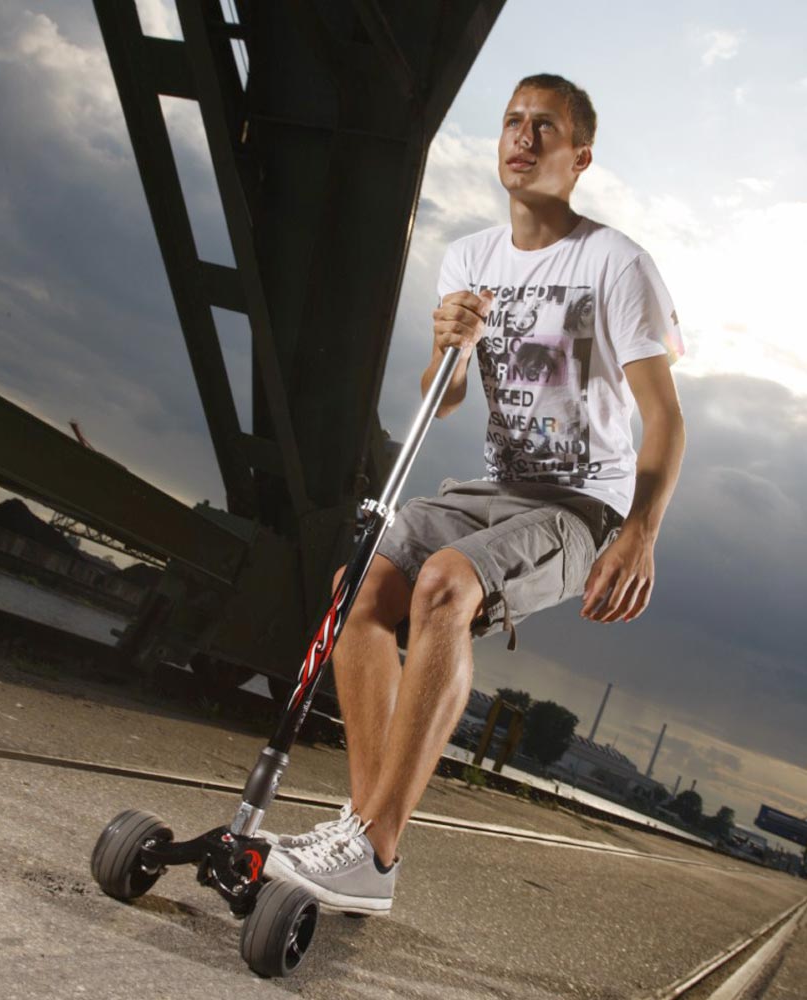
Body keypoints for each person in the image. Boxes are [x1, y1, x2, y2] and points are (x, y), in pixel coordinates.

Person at [262, 73, 686, 915]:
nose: (523, 139)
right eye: (512, 123)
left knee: (444, 585)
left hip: (580, 508)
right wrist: (448, 346)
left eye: (546, 129)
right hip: (492, 487)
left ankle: (375, 849)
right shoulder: (470, 257)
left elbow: (665, 417)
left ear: (579, 158)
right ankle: (361, 833)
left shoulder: (616, 262)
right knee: (365, 590)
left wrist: (640, 532)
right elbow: (441, 397)